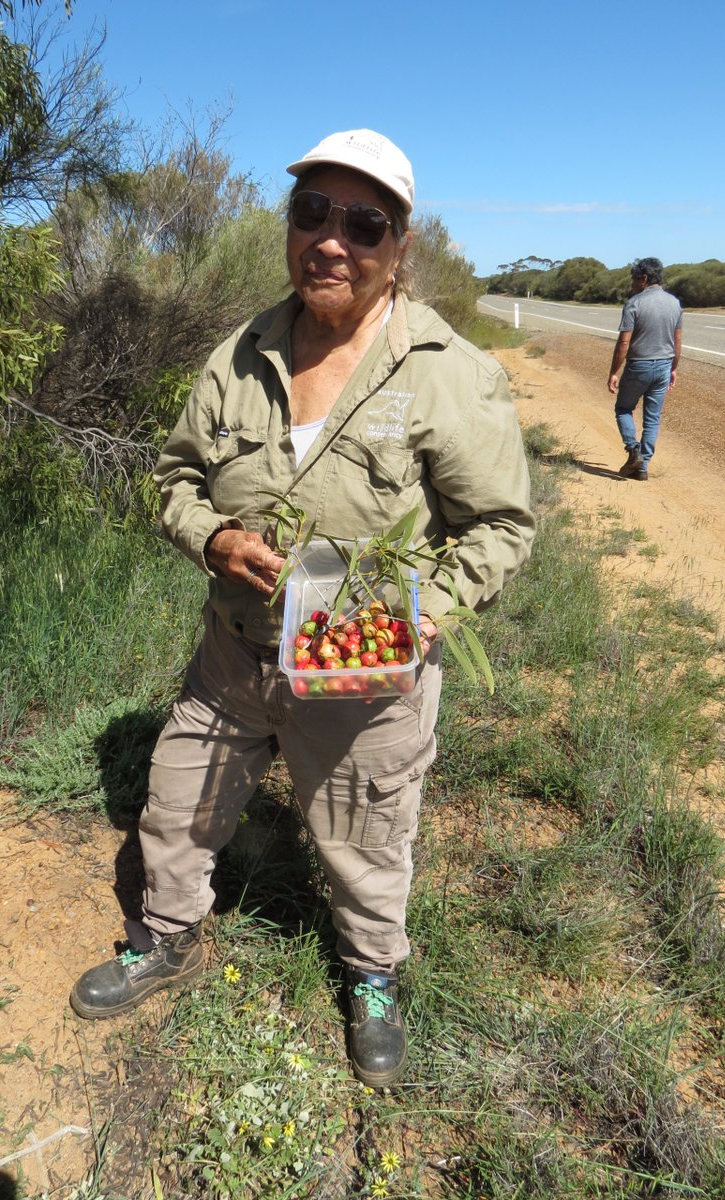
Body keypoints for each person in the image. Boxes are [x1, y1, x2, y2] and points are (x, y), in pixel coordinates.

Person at [70, 129, 534, 1087]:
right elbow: (175, 477)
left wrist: (424, 613)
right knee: (176, 809)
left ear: (400, 247)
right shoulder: (238, 355)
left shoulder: (448, 372)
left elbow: (499, 526)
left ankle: (372, 973)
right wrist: (213, 540)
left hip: (364, 677)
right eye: (311, 211)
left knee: (367, 838)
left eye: (364, 223)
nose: (331, 239)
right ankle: (165, 936)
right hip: (234, 656)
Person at [607, 257, 682, 480]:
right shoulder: (674, 303)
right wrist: (674, 368)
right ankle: (642, 468)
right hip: (664, 365)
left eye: (634, 279)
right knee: (652, 418)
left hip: (639, 366)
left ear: (644, 278)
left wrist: (613, 372)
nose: (632, 284)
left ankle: (633, 451)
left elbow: (624, 342)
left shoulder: (634, 303)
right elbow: (677, 341)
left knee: (623, 408)